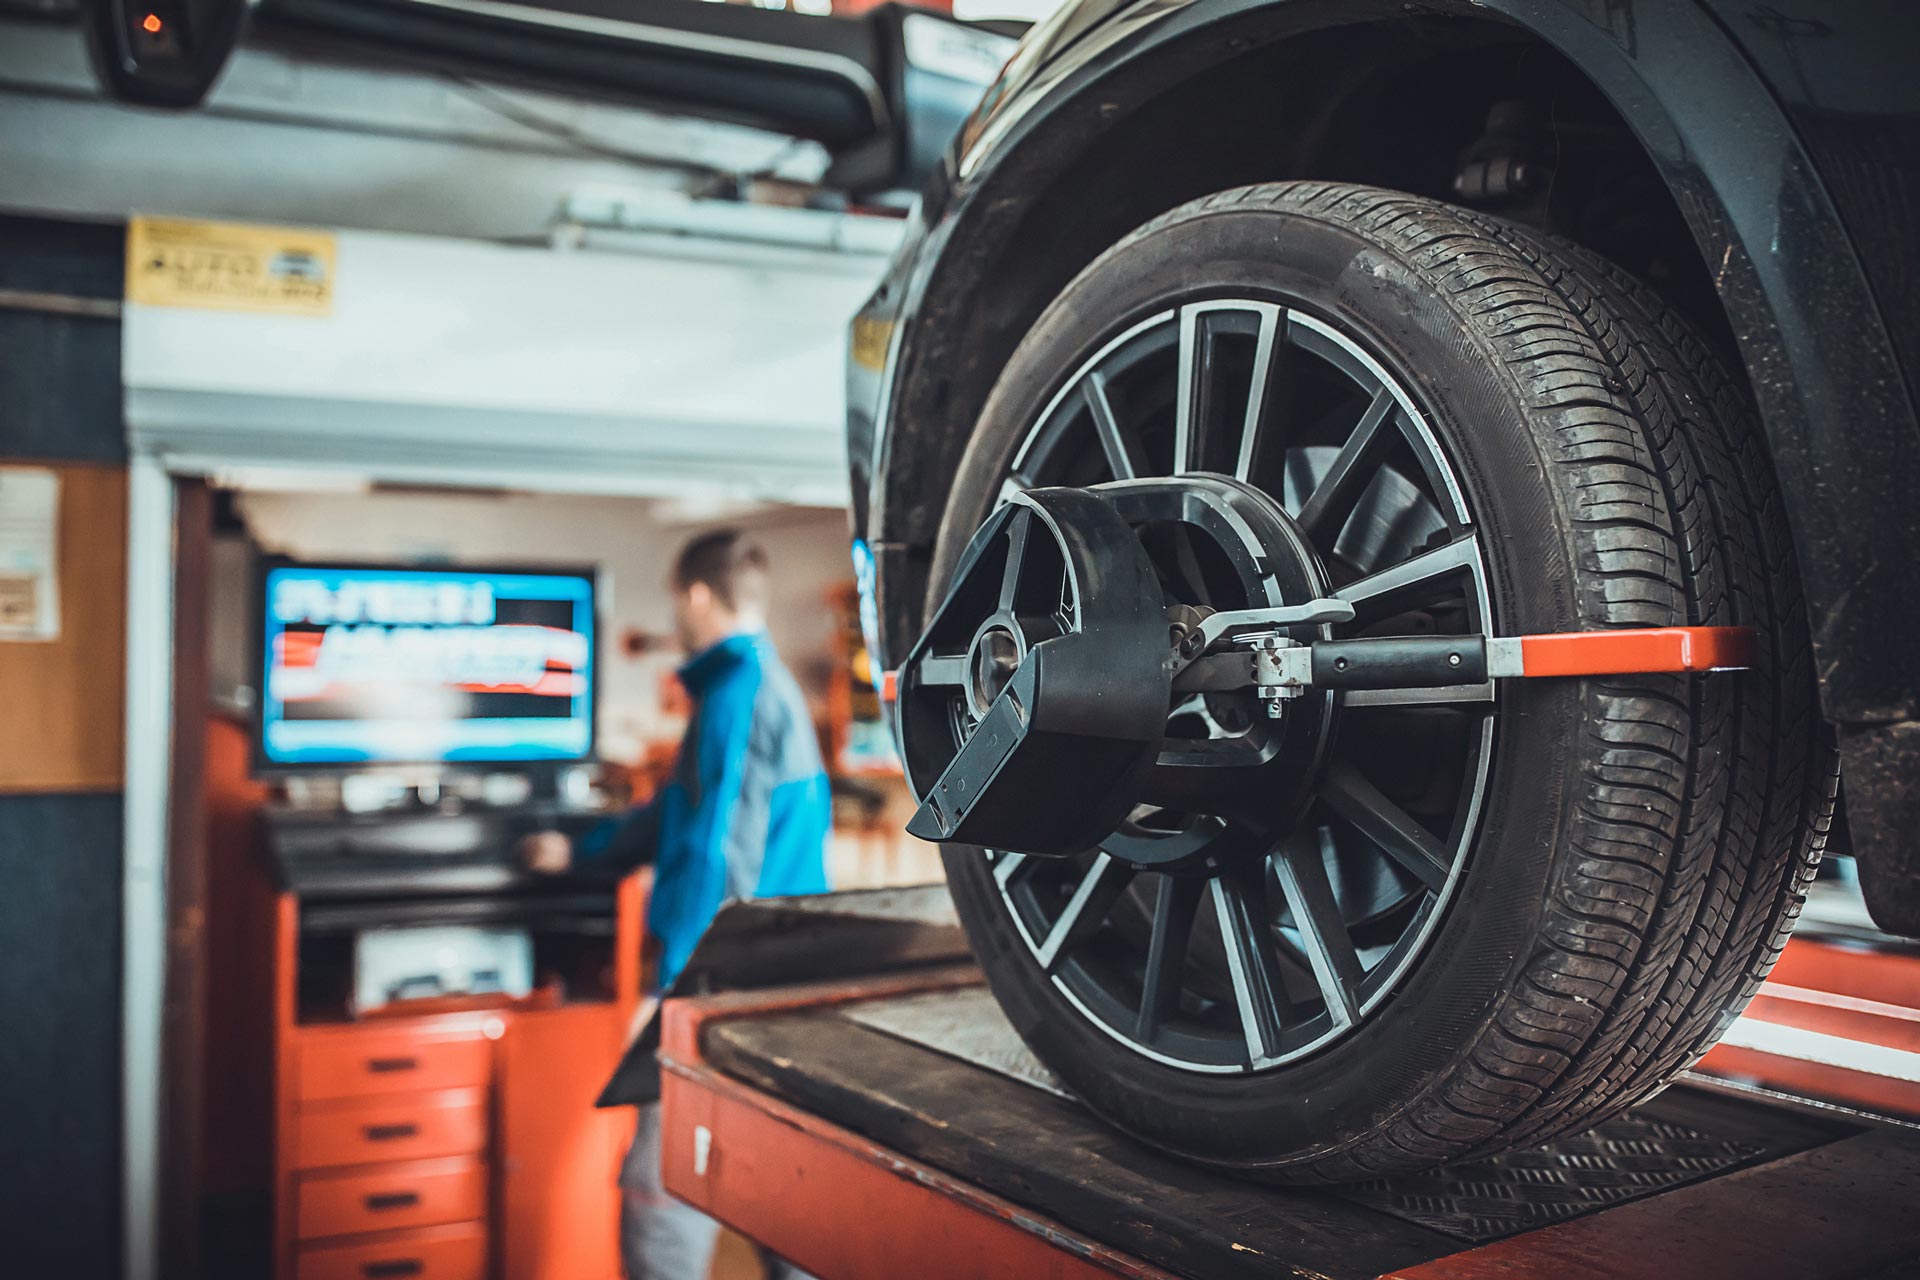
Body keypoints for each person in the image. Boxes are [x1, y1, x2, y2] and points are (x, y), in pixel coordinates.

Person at [520, 529, 831, 1280]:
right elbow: (678, 815)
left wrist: (671, 995)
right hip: (772, 987)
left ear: (696, 595)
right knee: (782, 1196)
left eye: (676, 602)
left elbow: (718, 853)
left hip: (725, 990)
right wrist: (584, 850)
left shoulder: (741, 697)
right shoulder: (747, 686)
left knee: (662, 1193)